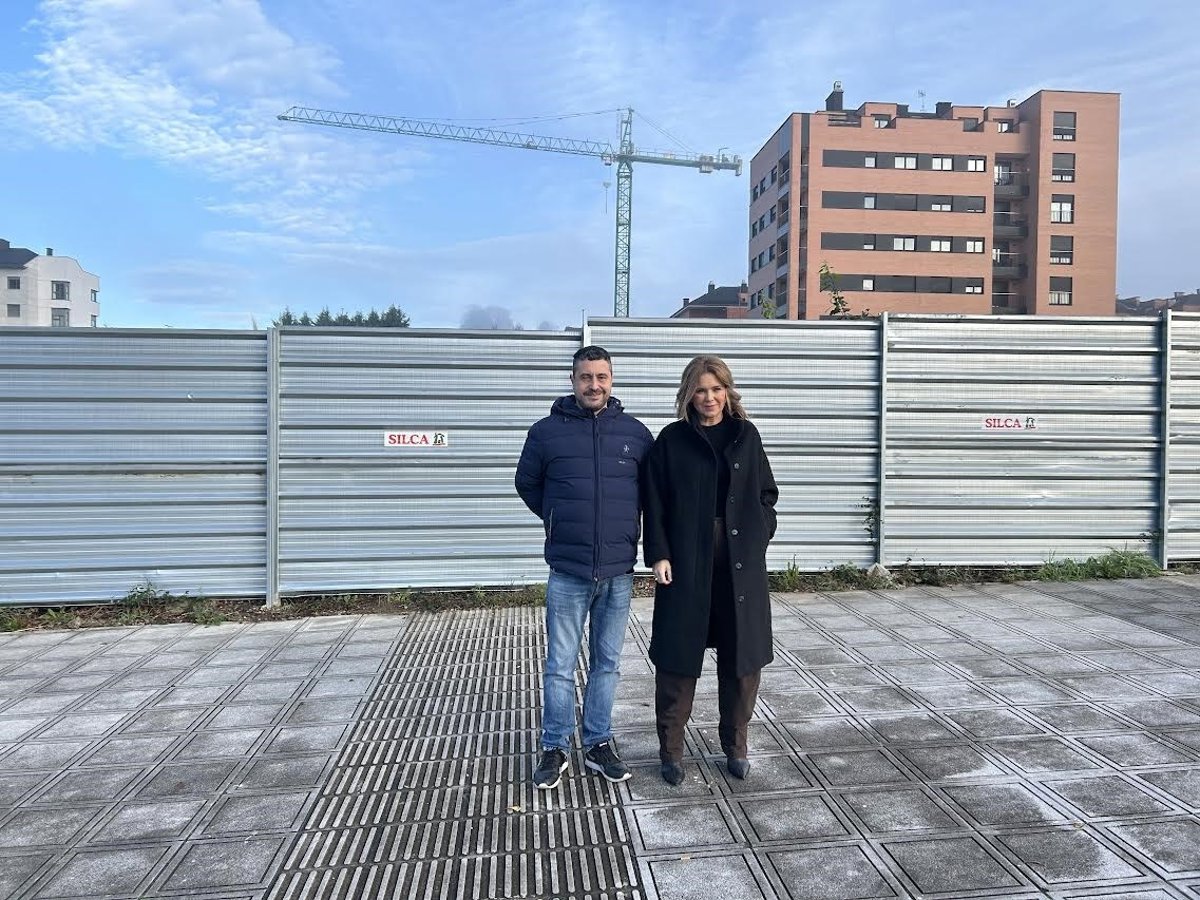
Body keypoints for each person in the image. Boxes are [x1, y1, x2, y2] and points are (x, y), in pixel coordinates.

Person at [515, 345, 653, 789]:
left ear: (612, 380)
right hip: (568, 570)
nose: (594, 385)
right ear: (573, 380)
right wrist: (558, 518)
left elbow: (650, 493)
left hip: (618, 571)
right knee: (559, 664)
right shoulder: (545, 433)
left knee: (607, 663)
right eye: (585, 377)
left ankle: (598, 743)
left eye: (601, 377)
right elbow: (527, 484)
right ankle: (554, 746)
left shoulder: (635, 434)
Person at [642, 355, 778, 785]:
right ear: (688, 394)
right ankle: (671, 751)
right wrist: (659, 554)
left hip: (741, 564)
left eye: (716, 389)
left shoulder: (746, 435)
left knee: (742, 660)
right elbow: (654, 501)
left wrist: (760, 535)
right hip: (686, 561)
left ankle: (735, 745)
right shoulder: (672, 440)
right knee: (677, 658)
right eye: (700, 390)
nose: (709, 398)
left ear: (727, 391)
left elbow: (767, 493)